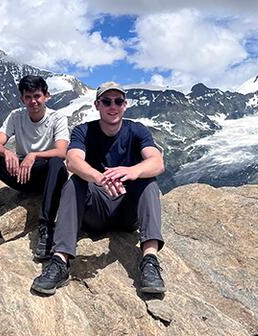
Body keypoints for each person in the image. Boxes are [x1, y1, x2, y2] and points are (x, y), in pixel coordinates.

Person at [31, 81, 166, 295]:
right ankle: (60, 261)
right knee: (75, 182)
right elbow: (73, 161)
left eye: (118, 101)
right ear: (97, 105)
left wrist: (133, 172)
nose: (113, 106)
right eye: (107, 101)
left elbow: (157, 162)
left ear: (125, 105)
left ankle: (150, 259)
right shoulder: (83, 131)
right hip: (95, 209)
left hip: (127, 211)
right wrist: (98, 177)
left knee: (148, 182)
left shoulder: (137, 130)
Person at [0, 75, 69, 260]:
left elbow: (61, 151)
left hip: (46, 176)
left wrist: (34, 155)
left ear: (46, 96)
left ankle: (46, 230)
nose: (33, 101)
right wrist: (7, 153)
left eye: (37, 96)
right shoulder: (16, 116)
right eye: (28, 97)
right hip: (21, 175)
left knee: (56, 164)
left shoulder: (57, 118)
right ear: (22, 99)